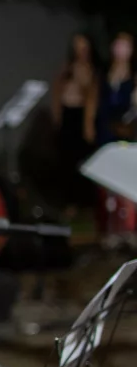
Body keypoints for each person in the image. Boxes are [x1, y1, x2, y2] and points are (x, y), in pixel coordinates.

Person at [93, 32, 137, 242]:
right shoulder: (105, 74)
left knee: (126, 179)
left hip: (127, 132)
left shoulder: (133, 75)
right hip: (107, 131)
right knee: (106, 180)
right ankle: (109, 229)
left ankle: (129, 228)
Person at [49, 33, 98, 208]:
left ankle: (83, 201)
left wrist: (88, 125)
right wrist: (57, 116)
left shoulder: (90, 70)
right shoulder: (66, 68)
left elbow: (91, 96)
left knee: (82, 159)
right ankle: (67, 201)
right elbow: (57, 91)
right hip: (67, 115)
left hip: (80, 117)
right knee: (66, 160)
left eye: (83, 48)